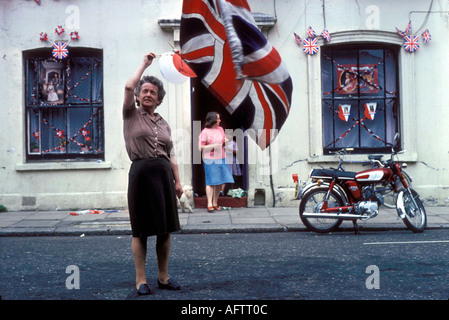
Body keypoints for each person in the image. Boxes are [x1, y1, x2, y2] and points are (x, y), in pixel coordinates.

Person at [123, 52, 183, 295]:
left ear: (158, 100)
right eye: (144, 91)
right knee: (141, 230)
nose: (148, 94)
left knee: (165, 229)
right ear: (138, 97)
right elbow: (128, 86)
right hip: (141, 176)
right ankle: (141, 280)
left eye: (153, 93)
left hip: (164, 178)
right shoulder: (131, 115)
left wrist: (178, 181)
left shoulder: (163, 122)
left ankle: (164, 277)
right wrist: (145, 63)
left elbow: (172, 153)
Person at [199, 112, 234, 212]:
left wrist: (226, 140)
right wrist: (213, 145)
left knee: (219, 182)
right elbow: (201, 147)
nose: (220, 120)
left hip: (221, 157)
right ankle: (209, 204)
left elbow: (223, 140)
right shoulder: (205, 132)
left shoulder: (220, 129)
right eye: (218, 119)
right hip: (209, 159)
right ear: (213, 120)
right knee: (210, 181)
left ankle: (215, 203)